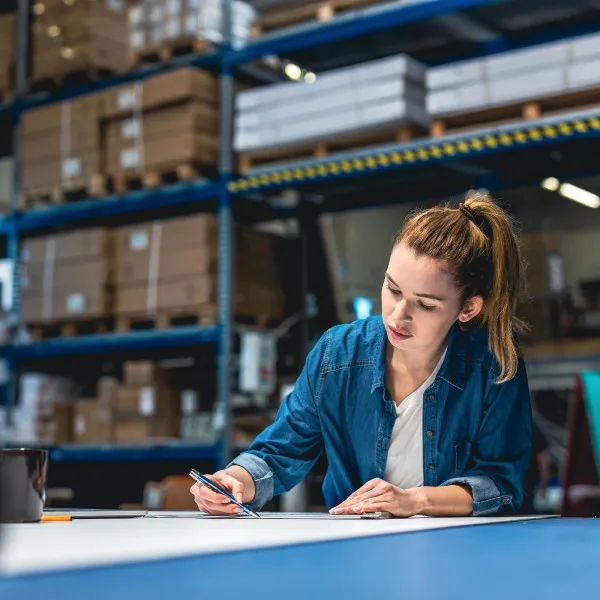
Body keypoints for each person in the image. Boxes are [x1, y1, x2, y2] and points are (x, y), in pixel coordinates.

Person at [191, 190, 534, 517]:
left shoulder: (494, 366)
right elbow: (281, 450)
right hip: (354, 545)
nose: (397, 315)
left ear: (468, 308)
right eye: (392, 289)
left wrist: (413, 500)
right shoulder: (337, 354)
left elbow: (501, 482)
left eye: (425, 305)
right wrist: (234, 480)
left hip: (457, 550)